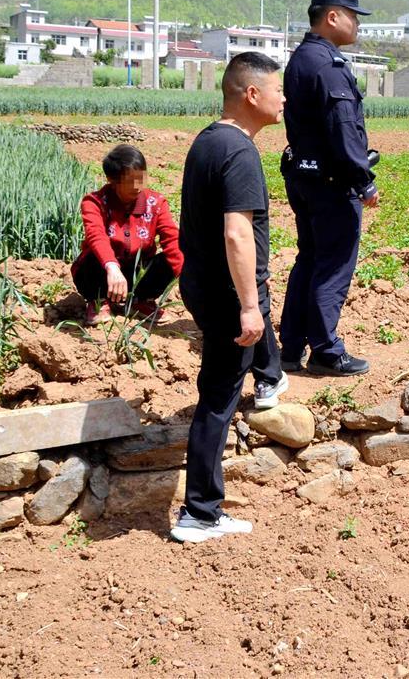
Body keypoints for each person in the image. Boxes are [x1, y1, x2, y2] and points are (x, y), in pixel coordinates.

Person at [171, 52, 288, 543]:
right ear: (252, 94)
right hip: (226, 295)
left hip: (202, 284)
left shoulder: (207, 141)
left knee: (236, 366)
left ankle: (271, 378)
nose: (285, 98)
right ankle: (199, 512)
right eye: (278, 90)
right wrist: (247, 303)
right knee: (216, 401)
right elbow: (237, 234)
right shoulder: (239, 153)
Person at [278, 0, 377, 376]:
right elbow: (343, 129)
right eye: (353, 16)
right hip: (332, 183)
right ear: (332, 16)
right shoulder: (327, 65)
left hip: (305, 177)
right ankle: (325, 349)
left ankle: (292, 348)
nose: (357, 24)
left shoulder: (302, 58)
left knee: (310, 259)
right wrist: (363, 179)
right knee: (333, 264)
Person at [71, 144, 182, 325]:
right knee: (92, 257)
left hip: (137, 272)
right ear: (112, 180)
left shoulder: (156, 203)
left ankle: (140, 301)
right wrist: (111, 266)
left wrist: (185, 276)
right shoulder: (95, 202)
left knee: (170, 260)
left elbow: (172, 238)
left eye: (142, 178)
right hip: (104, 272)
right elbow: (95, 235)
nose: (139, 186)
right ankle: (99, 300)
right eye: (131, 180)